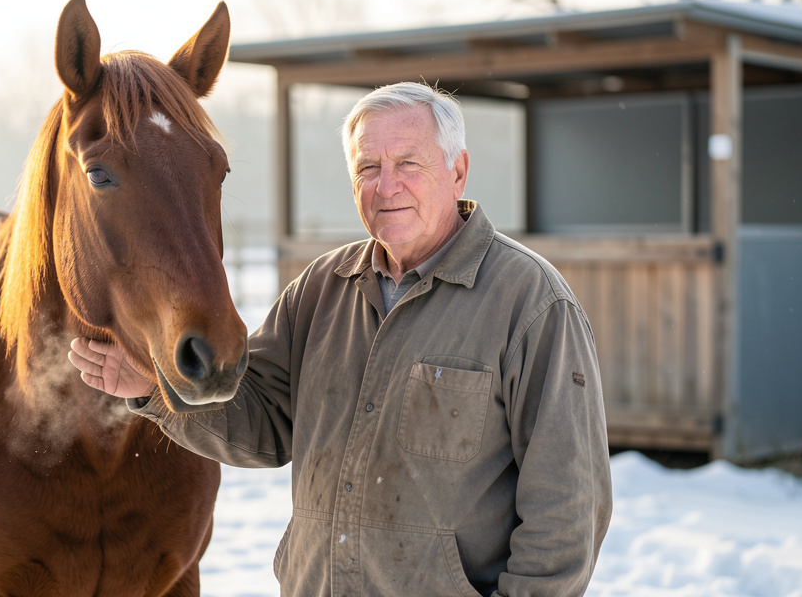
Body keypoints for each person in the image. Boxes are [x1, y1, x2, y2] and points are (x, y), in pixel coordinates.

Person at [69, 81, 611, 596]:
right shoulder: (321, 290)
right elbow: (262, 422)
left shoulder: (532, 305)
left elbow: (567, 511)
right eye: (368, 167)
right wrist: (152, 391)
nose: (386, 186)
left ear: (458, 171)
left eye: (408, 164)